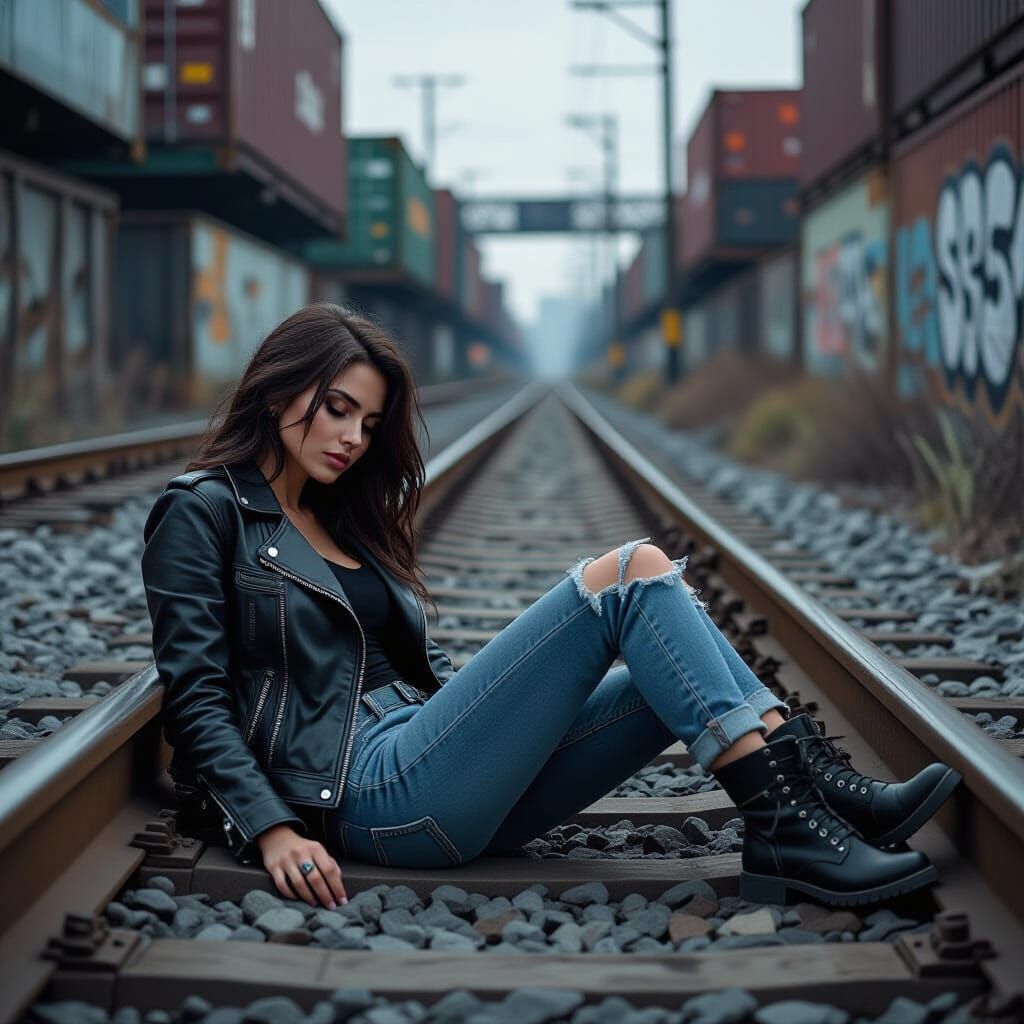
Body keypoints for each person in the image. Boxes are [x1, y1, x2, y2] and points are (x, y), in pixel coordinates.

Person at [141, 302, 961, 912]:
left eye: (369, 421)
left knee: (671, 668)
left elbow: (409, 666)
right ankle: (790, 820)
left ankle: (806, 790)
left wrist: (480, 724)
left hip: (437, 769)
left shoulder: (339, 513)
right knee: (631, 574)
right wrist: (271, 827)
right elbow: (196, 696)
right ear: (280, 389)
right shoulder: (204, 511)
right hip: (366, 788)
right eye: (338, 408)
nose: (354, 437)